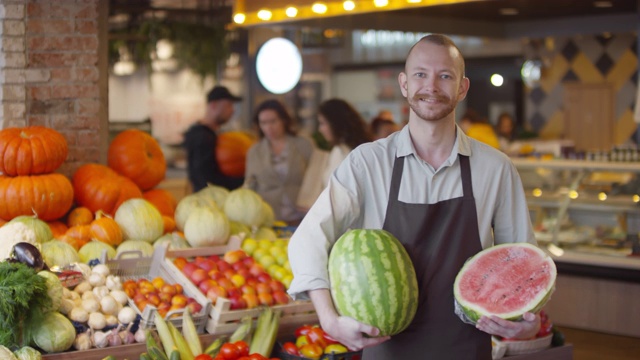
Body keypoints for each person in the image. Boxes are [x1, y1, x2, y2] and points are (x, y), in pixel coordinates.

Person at [287, 34, 540, 359]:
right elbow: (308, 239)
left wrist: (528, 322)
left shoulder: (495, 168)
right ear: (404, 84)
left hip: (465, 348)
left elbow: (523, 262)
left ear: (462, 88)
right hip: (384, 346)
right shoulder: (368, 163)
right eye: (421, 74)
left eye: (445, 76)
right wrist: (329, 319)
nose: (431, 86)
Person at [244, 99, 314, 225]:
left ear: (284, 120)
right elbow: (250, 184)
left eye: (273, 121)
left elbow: (316, 177)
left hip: (302, 214)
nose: (269, 127)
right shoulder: (254, 151)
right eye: (263, 123)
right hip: (269, 216)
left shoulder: (303, 144)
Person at [296, 98, 372, 210]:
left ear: (335, 123)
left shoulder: (346, 153)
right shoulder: (340, 150)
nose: (320, 129)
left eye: (323, 123)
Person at [183, 86, 244, 192]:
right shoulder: (203, 137)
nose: (232, 110)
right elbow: (207, 179)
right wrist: (242, 181)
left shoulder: (207, 134)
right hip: (210, 200)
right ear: (214, 105)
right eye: (229, 105)